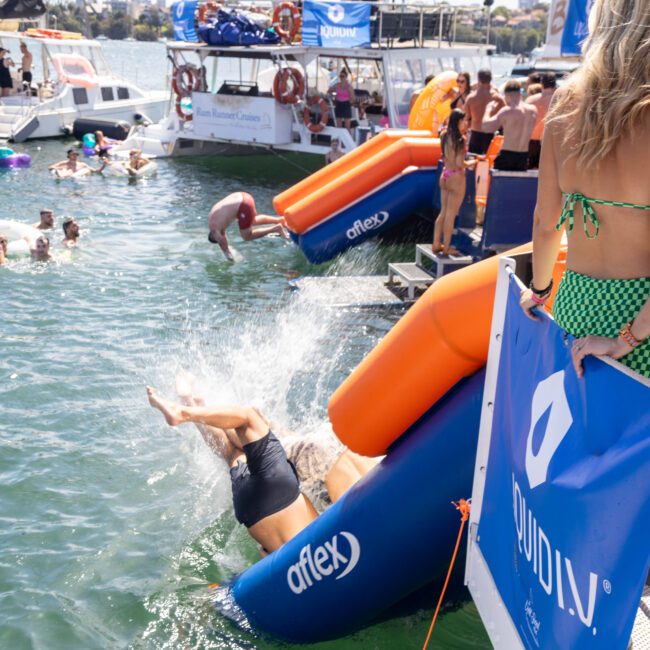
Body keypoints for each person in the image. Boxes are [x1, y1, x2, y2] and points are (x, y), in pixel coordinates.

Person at [520, 0, 650, 379]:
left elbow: (546, 221)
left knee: (580, 430)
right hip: (642, 320)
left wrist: (541, 291)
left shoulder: (564, 102)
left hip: (575, 304)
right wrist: (627, 338)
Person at [146, 385, 319, 554]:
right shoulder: (306, 570)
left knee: (248, 419)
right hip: (251, 513)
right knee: (231, 453)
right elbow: (264, 554)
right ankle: (190, 401)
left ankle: (183, 412)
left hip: (280, 490)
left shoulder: (329, 542)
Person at [432, 109, 476, 256]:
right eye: (464, 120)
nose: (466, 123)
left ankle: (436, 243)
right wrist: (471, 162)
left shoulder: (444, 135)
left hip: (445, 175)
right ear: (458, 121)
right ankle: (447, 248)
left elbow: (445, 156)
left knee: (443, 213)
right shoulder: (460, 139)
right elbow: (459, 162)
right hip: (456, 176)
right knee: (451, 214)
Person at [207, 191, 288, 262]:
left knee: (247, 236)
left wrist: (227, 255)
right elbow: (223, 237)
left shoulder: (214, 229)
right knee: (252, 221)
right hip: (244, 196)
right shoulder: (213, 220)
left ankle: (276, 228)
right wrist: (228, 249)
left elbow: (221, 240)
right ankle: (279, 220)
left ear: (214, 236)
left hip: (243, 206)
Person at [481, 80, 537, 172]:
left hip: (507, 156)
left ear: (507, 96)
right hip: (523, 157)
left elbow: (486, 127)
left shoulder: (507, 111)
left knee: (500, 184)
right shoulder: (532, 111)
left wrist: (488, 110)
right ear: (520, 94)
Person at [464, 68, 505, 155]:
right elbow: (505, 117)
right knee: (489, 164)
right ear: (491, 79)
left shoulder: (471, 98)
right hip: (490, 135)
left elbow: (466, 118)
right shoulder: (498, 98)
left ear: (478, 79)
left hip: (475, 134)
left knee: (473, 165)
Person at [526, 72, 557, 169]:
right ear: (555, 85)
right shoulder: (560, 100)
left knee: (529, 172)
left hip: (531, 141)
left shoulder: (531, 100)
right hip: (550, 142)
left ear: (541, 84)